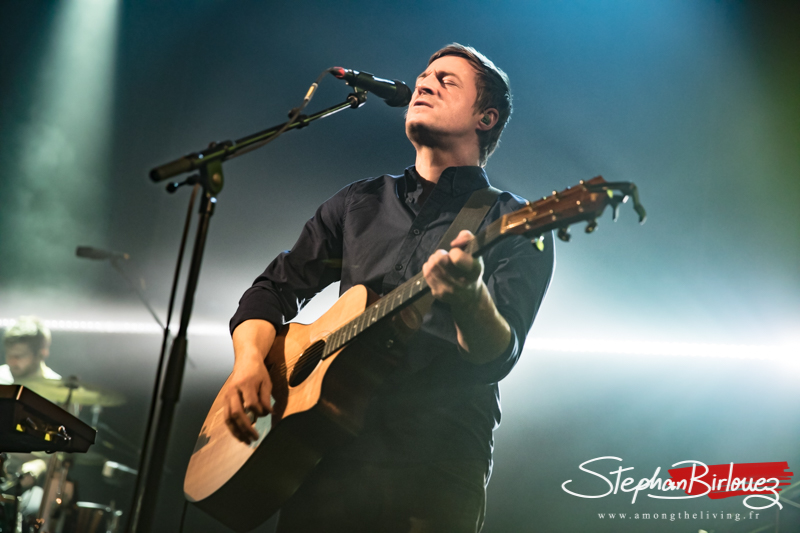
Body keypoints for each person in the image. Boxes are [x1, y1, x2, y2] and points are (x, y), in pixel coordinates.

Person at [224, 44, 555, 532]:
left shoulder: (513, 220)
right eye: (423, 77)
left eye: (446, 81)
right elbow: (272, 290)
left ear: (485, 118)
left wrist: (468, 297)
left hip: (430, 469)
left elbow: (497, 357)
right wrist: (249, 363)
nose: (424, 84)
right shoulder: (358, 201)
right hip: (323, 461)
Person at [1, 316, 61, 384]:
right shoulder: (1, 378)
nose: (11, 362)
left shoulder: (56, 386)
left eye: (19, 356)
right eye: (9, 355)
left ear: (41, 354)